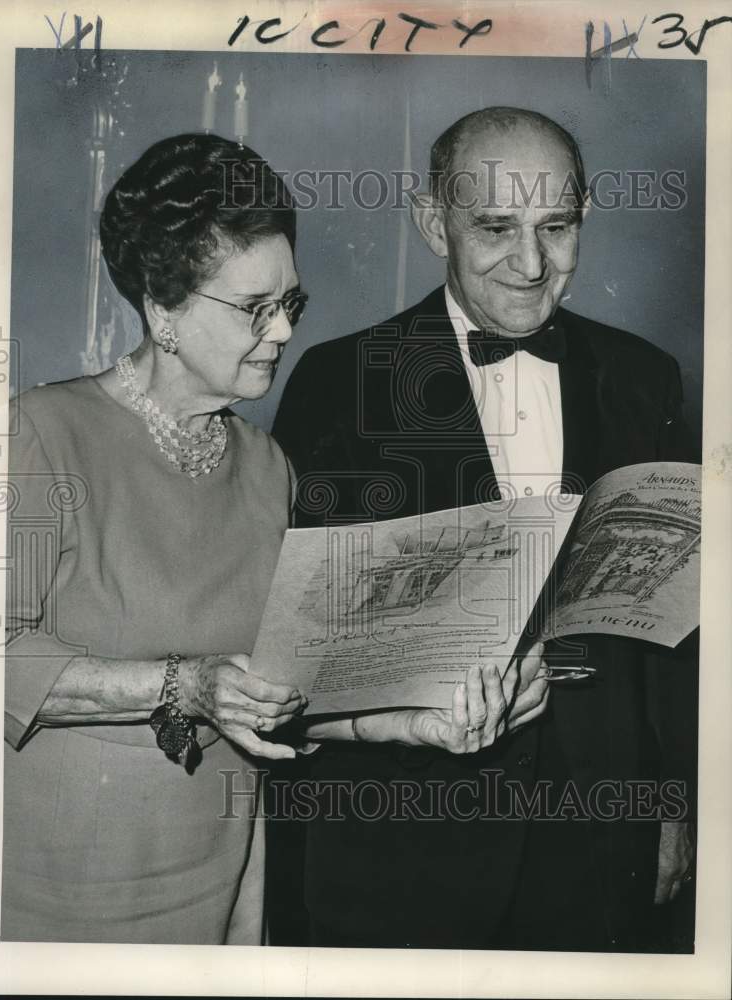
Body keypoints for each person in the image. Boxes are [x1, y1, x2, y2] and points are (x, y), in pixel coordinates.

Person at [2, 131, 546, 945]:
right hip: (61, 886)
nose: (284, 331)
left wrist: (406, 723)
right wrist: (182, 686)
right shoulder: (40, 432)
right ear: (163, 307)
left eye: (291, 303)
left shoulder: (268, 468)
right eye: (254, 308)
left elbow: (284, 690)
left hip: (228, 884)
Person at [272, 107, 699, 950]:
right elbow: (293, 647)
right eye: (496, 227)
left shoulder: (645, 379)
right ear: (434, 223)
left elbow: (676, 641)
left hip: (599, 835)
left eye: (557, 228)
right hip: (405, 840)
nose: (532, 263)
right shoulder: (340, 382)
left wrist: (673, 803)